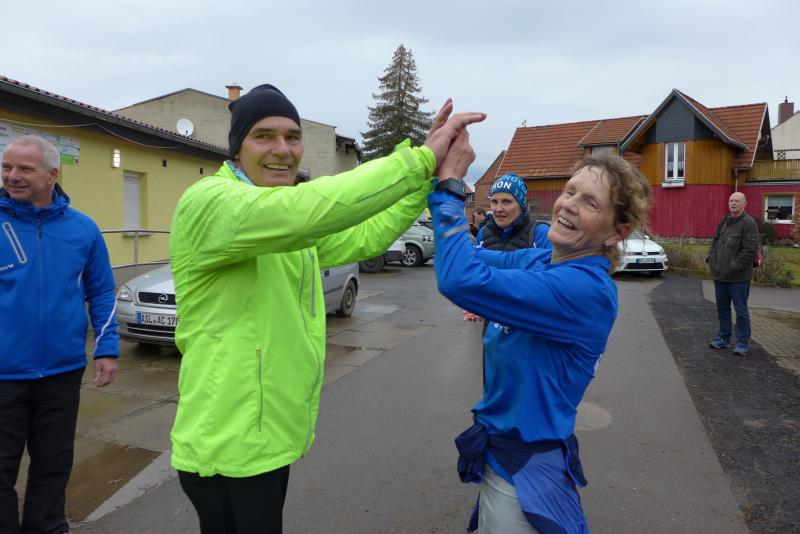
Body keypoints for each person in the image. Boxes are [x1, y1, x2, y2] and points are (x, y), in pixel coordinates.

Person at [167, 84, 484, 534]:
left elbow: (367, 235)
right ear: (236, 149)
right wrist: (419, 160)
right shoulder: (211, 202)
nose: (283, 149)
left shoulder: (283, 222)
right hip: (228, 447)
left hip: (264, 440)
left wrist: (423, 183)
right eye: (264, 136)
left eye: (292, 137)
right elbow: (310, 208)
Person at [430, 142, 651, 533]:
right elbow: (472, 258)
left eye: (590, 202)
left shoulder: (585, 290)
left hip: (524, 473)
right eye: (570, 191)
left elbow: (460, 279)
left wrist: (450, 190)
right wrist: (428, 181)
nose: (569, 204)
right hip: (505, 457)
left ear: (618, 232)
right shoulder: (543, 260)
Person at [0, 135, 119, 534]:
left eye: (24, 169)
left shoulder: (83, 229)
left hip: (61, 372)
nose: (12, 176)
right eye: (6, 167)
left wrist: (107, 348)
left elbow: (101, 291)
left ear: (53, 174)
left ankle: (47, 527)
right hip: (3, 374)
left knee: (53, 464)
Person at [707, 191, 760, 356]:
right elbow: (715, 240)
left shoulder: (748, 223)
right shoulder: (725, 220)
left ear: (744, 204)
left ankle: (742, 343)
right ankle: (723, 338)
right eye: (731, 201)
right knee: (722, 308)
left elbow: (750, 250)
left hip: (738, 278)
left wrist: (734, 266)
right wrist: (711, 258)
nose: (733, 203)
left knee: (741, 311)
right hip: (720, 275)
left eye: (737, 201)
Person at [475, 173, 551, 250]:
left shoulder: (541, 233)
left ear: (521, 206)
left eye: (506, 202)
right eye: (494, 202)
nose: (498, 209)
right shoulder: (483, 233)